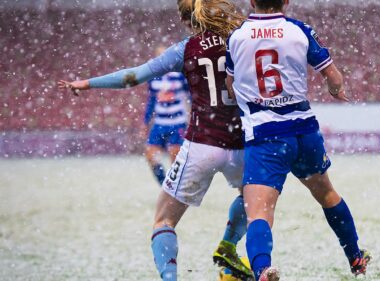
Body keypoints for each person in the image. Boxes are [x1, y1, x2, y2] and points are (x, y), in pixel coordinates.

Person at [58, 0, 254, 280]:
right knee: (253, 199)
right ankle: (228, 247)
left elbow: (133, 76)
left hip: (202, 144)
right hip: (241, 143)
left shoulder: (186, 48)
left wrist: (88, 83)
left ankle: (170, 277)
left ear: (188, 21)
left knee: (164, 220)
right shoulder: (242, 39)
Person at [225, 0, 370, 280]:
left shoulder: (238, 35)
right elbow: (333, 75)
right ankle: (355, 256)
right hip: (303, 131)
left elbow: (230, 85)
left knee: (259, 213)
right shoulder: (298, 30)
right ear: (286, 1)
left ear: (252, 1)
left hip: (265, 134)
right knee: (327, 194)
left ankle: (263, 269)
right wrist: (335, 89)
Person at [143, 46, 190, 186]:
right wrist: (145, 121)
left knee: (175, 158)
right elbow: (151, 100)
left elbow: (191, 96)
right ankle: (163, 184)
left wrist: (193, 116)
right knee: (150, 155)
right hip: (159, 123)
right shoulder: (153, 78)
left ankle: (174, 187)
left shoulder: (180, 76)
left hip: (177, 122)